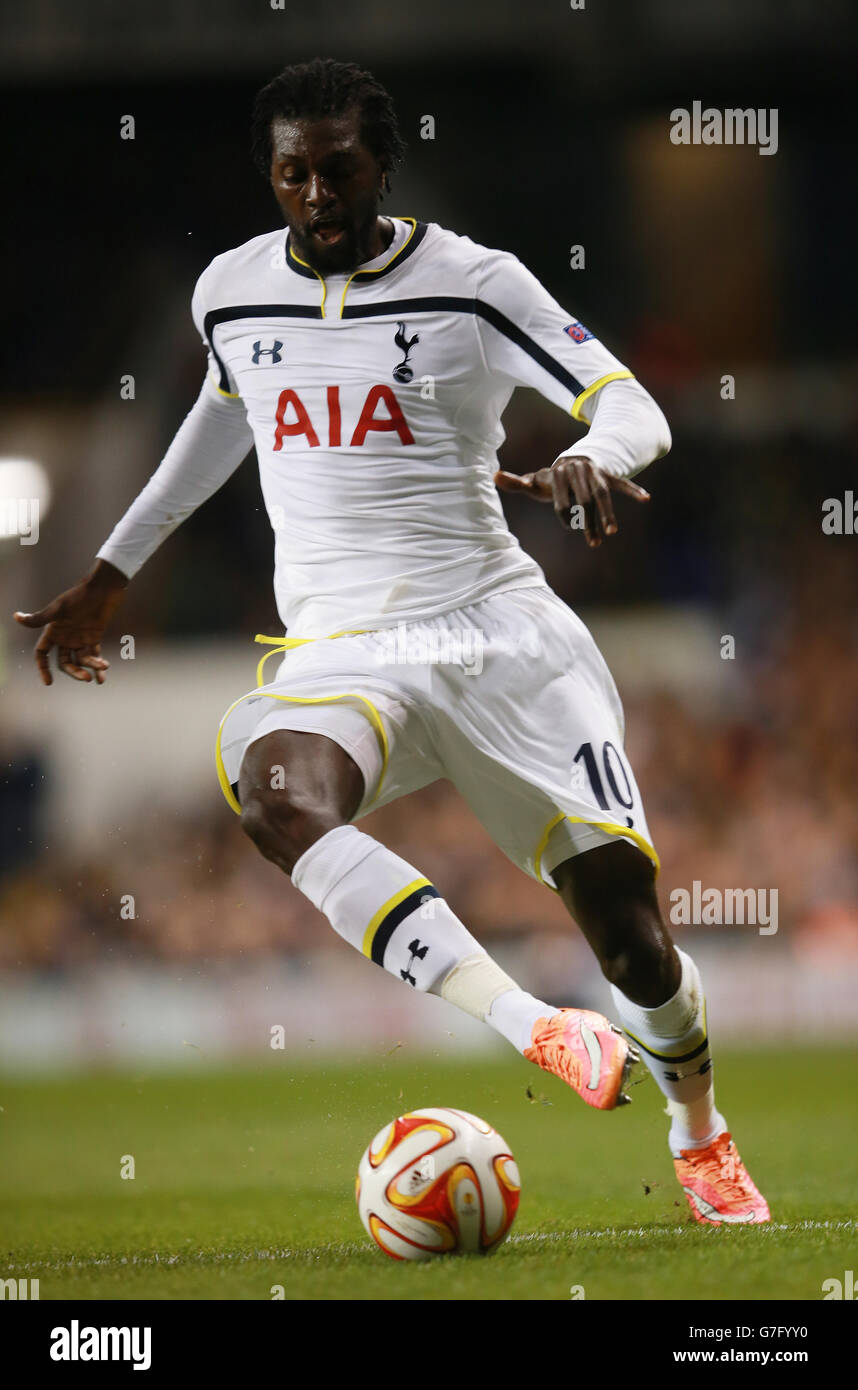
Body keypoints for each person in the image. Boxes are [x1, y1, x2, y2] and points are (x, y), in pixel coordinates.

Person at [14, 57, 768, 1226]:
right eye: (290, 173)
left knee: (632, 937)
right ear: (269, 175)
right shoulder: (231, 290)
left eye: (337, 169)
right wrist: (112, 569)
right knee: (277, 793)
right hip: (343, 649)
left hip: (495, 635)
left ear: (383, 163)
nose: (314, 194)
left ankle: (699, 1128)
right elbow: (217, 428)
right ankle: (534, 1025)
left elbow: (634, 406)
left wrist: (594, 458)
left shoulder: (478, 282)